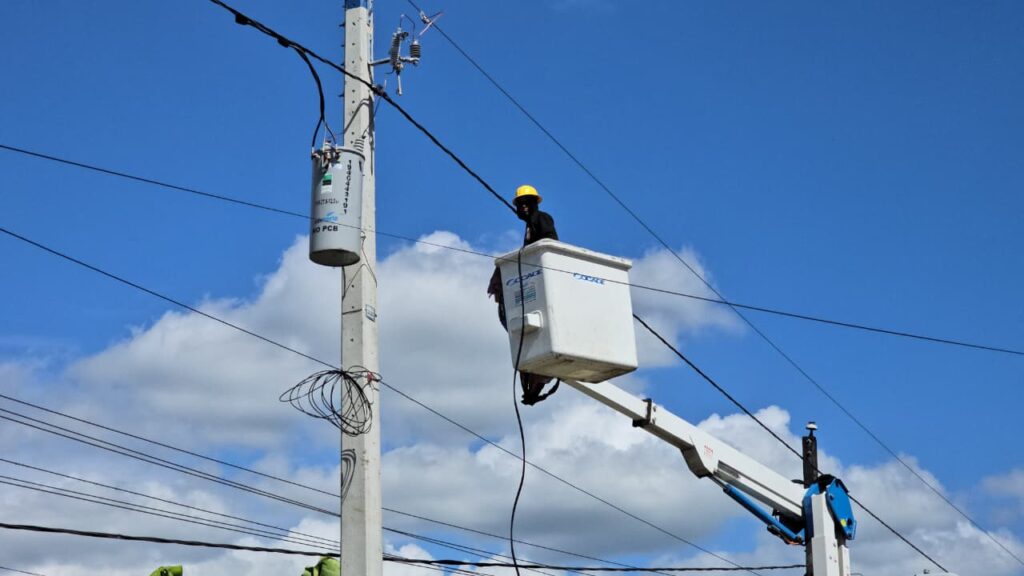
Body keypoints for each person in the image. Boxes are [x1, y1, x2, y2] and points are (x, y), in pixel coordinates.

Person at [487, 185, 560, 405]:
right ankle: (532, 386)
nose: (523, 207)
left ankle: (535, 384)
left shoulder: (542, 219)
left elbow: (550, 243)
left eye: (527, 203)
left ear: (536, 203)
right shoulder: (530, 226)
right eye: (520, 204)